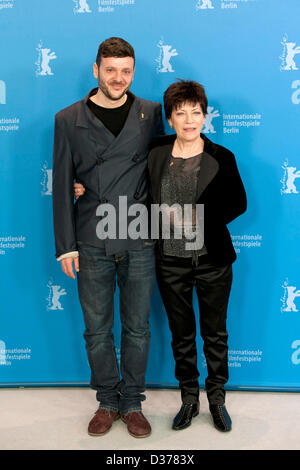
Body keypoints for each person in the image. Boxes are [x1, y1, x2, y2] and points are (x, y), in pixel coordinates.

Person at [52, 37, 163, 438]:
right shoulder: (67, 119)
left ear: (133, 72)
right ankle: (107, 400)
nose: (119, 78)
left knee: (137, 327)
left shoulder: (152, 113)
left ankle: (132, 402)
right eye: (111, 69)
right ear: (95, 70)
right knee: (97, 328)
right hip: (92, 237)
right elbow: (63, 185)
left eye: (126, 70)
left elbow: (161, 169)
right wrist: (65, 244)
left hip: (136, 233)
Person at [147, 80, 247, 432]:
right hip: (170, 261)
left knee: (215, 333)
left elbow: (238, 203)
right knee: (181, 334)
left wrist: (194, 217)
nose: (189, 120)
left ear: (205, 116)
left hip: (213, 261)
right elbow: (129, 187)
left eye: (196, 112)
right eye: (181, 113)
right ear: (170, 117)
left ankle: (217, 399)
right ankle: (189, 399)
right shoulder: (155, 153)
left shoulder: (222, 157)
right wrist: (80, 184)